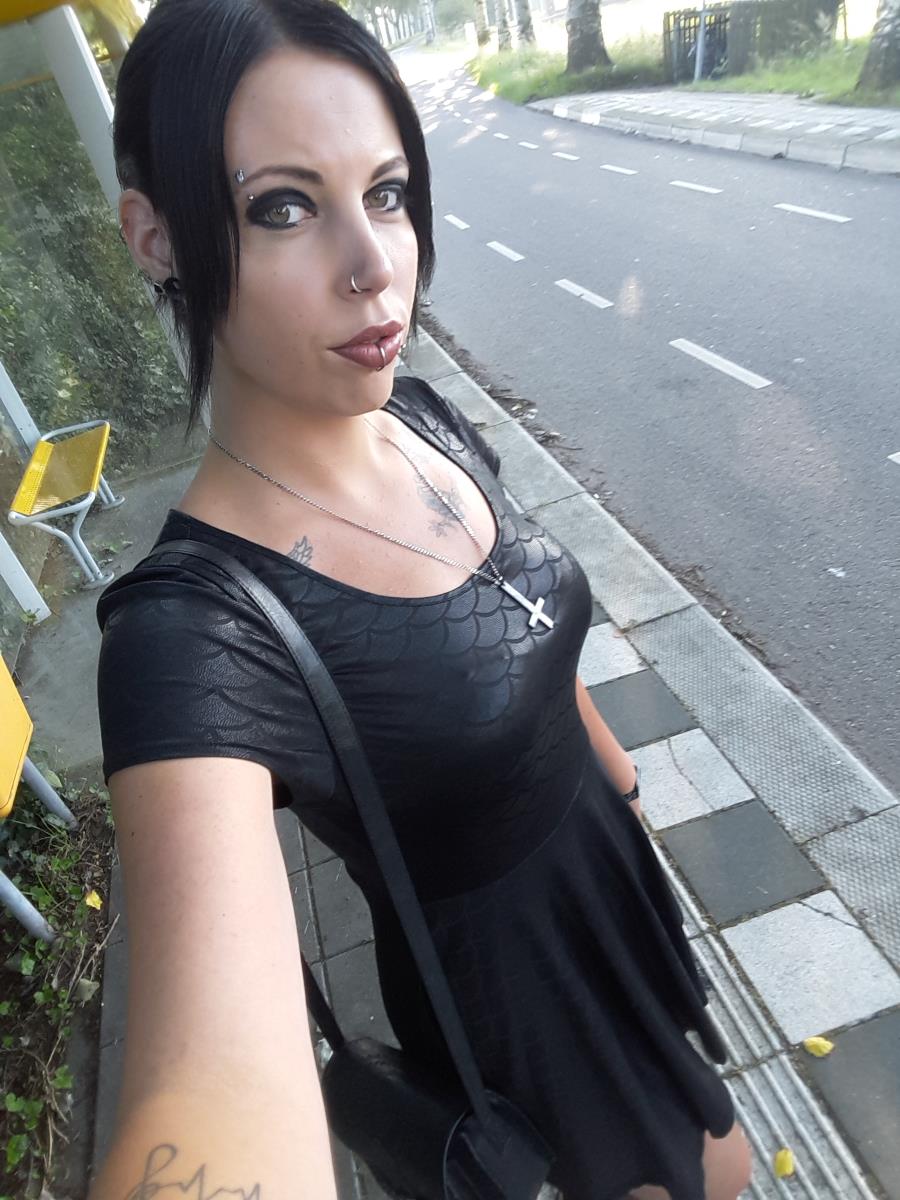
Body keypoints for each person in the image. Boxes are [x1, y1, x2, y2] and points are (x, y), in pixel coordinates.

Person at [92, 1, 753, 1198]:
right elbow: (211, 1084)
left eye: (386, 193)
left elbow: (521, 629)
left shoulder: (418, 413)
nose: (374, 266)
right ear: (157, 236)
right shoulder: (195, 633)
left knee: (727, 1156)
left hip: (615, 900)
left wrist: (620, 780)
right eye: (283, 207)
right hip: (520, 1013)